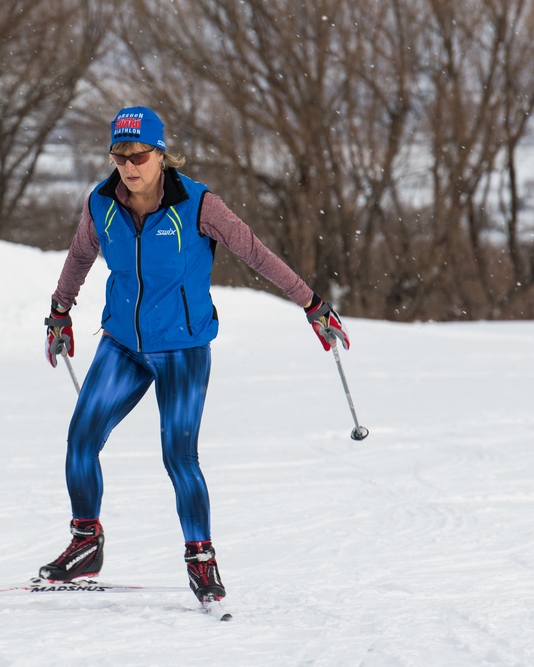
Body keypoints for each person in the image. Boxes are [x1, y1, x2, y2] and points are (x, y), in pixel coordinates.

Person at [40, 106, 350, 605]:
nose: (129, 166)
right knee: (81, 439)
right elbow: (80, 255)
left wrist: (312, 304)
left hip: (182, 349)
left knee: (178, 457)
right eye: (119, 156)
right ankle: (86, 542)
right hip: (122, 345)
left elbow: (255, 253)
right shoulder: (102, 204)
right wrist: (60, 312)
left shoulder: (198, 204)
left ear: (161, 155)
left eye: (139, 155)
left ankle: (200, 558)